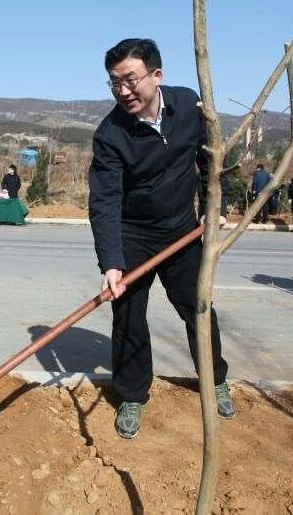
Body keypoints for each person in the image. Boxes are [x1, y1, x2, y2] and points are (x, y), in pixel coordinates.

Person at [88, 38, 234, 440]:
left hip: (182, 229)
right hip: (134, 233)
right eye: (114, 83)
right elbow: (104, 201)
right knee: (128, 315)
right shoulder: (110, 134)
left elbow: (212, 159)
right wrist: (112, 262)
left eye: (130, 80)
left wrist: (214, 204)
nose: (122, 91)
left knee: (197, 307)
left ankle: (215, 379)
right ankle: (132, 393)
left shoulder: (189, 106)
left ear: (156, 75)